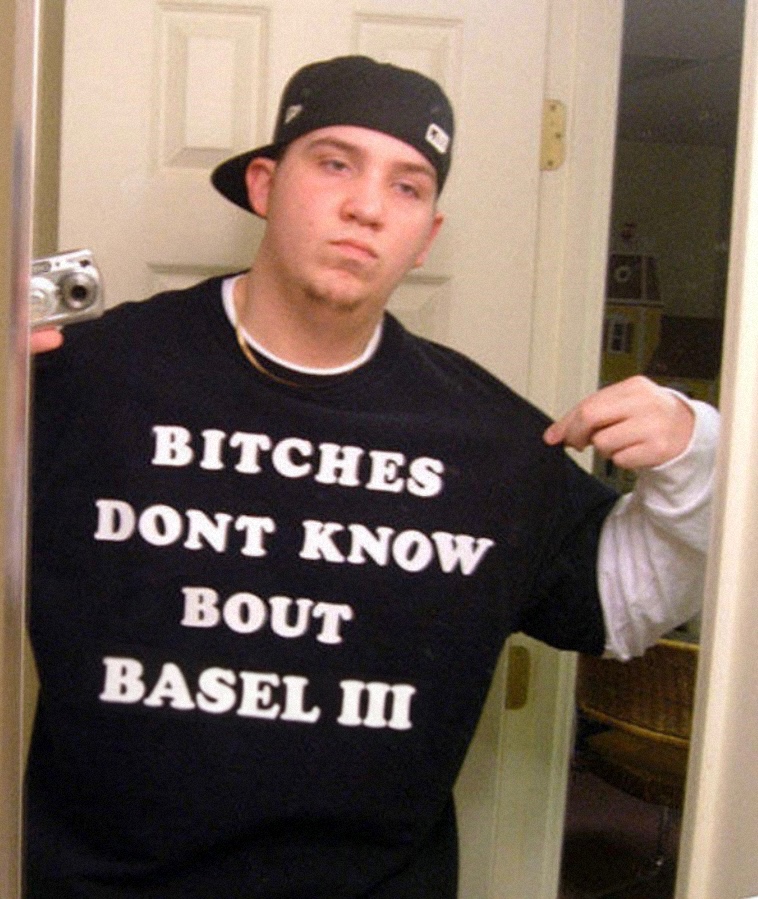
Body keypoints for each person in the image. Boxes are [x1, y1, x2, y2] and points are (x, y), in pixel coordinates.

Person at [26, 56, 718, 898]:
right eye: (334, 163)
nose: (367, 206)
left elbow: (630, 603)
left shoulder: (484, 436)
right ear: (264, 184)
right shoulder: (89, 379)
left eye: (407, 185)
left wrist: (697, 459)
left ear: (426, 234)